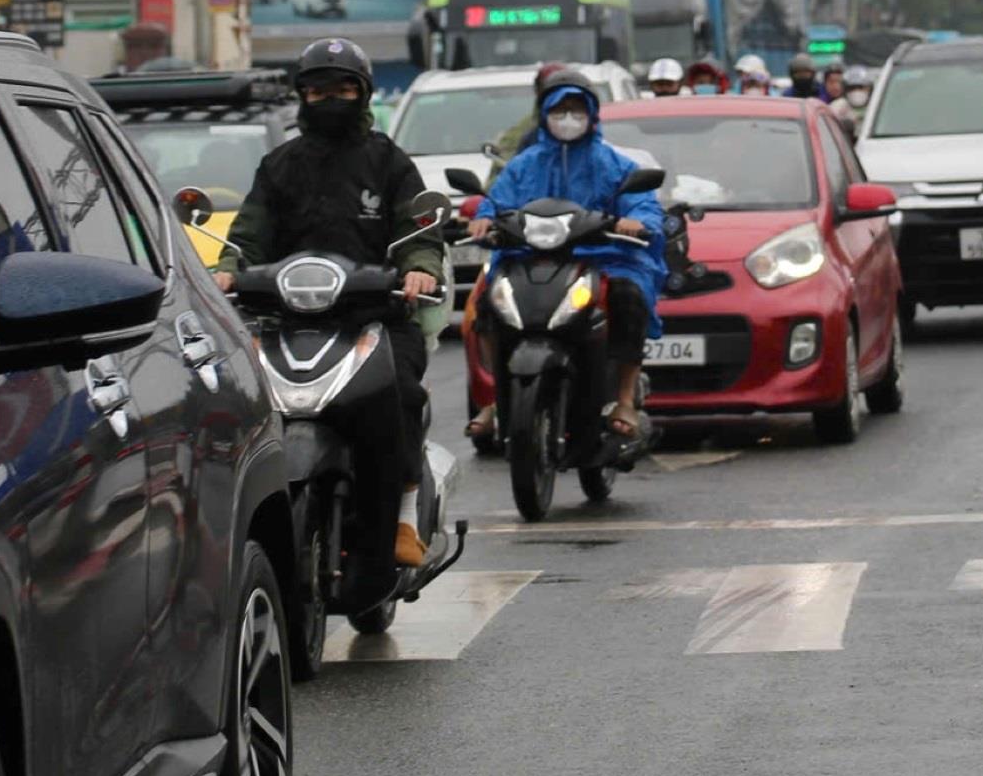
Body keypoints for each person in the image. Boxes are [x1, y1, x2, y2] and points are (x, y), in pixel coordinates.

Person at [220, 39, 445, 568]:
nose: (332, 98)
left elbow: (417, 230)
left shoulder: (388, 161)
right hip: (287, 319)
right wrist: (227, 272)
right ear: (303, 96)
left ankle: (404, 518)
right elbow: (248, 236)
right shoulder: (279, 165)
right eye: (320, 89)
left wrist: (419, 267)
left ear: (363, 94)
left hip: (375, 317)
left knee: (404, 394)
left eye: (344, 88)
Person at [475, 69, 668, 443]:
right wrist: (483, 219)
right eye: (559, 110)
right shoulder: (524, 164)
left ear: (592, 115)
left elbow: (643, 204)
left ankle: (625, 398)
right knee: (487, 305)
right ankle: (495, 398)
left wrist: (637, 221)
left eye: (576, 110)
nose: (567, 118)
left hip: (602, 258)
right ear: (544, 114)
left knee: (629, 297)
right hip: (531, 259)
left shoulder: (613, 164)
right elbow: (496, 200)